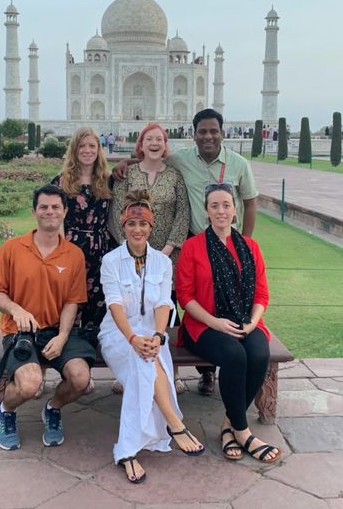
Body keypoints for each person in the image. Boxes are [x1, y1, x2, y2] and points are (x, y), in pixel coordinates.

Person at [112, 108, 258, 395]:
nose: (208, 136)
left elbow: (250, 203)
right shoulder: (182, 160)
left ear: (222, 132)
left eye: (213, 130)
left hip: (224, 245)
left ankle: (214, 368)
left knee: (221, 304)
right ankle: (161, 366)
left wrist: (246, 245)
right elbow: (152, 158)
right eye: (202, 131)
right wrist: (127, 160)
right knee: (178, 304)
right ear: (193, 134)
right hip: (195, 243)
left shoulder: (239, 164)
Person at [99, 190, 204, 484]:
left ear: (151, 227)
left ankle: (127, 450)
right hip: (117, 334)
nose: (137, 229)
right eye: (131, 224)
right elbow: (114, 304)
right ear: (123, 226)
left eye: (143, 224)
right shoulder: (111, 261)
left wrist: (158, 336)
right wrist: (132, 338)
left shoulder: (162, 262)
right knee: (143, 362)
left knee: (144, 366)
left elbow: (162, 304)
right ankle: (174, 422)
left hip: (152, 334)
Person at [175, 183, 282, 464]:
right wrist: (217, 323)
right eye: (214, 206)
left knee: (259, 353)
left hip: (246, 321)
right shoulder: (193, 246)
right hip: (204, 325)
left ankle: (227, 425)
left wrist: (252, 323)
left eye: (226, 205)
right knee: (235, 356)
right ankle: (244, 432)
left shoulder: (250, 247)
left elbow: (261, 293)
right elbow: (185, 296)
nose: (221, 211)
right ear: (206, 211)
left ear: (235, 209)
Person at [0, 184, 96, 451]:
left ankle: (53, 407)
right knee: (30, 383)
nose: (50, 212)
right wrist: (17, 310)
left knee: (81, 379)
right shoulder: (12, 249)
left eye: (56, 207)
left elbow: (72, 301)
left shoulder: (73, 254)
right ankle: (5, 410)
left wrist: (62, 336)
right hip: (20, 332)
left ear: (65, 211)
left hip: (57, 331)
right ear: (34, 212)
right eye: (44, 207)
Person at [111, 122, 190, 393]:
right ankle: (125, 370)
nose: (154, 143)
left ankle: (172, 371)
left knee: (165, 310)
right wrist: (130, 247)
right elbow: (115, 212)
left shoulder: (175, 176)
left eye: (159, 139)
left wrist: (165, 251)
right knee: (130, 308)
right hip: (131, 254)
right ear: (141, 144)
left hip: (168, 255)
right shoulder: (128, 173)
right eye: (149, 139)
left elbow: (183, 214)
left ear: (165, 145)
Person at [51, 127, 113, 334]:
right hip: (71, 246)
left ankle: (89, 347)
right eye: (82, 146)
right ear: (74, 150)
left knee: (97, 303)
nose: (87, 151)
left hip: (100, 250)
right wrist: (60, 250)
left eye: (92, 146)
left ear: (98, 150)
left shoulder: (107, 180)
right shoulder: (62, 181)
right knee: (69, 298)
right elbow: (55, 217)